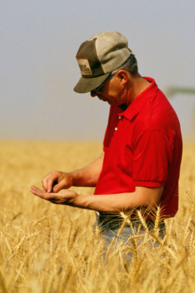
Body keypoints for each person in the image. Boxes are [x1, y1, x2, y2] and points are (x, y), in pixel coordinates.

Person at [30, 31, 183, 255]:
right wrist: (71, 178)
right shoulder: (121, 101)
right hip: (112, 225)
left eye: (98, 86)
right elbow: (111, 161)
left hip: (136, 234)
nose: (94, 94)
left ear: (122, 77)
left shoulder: (152, 123)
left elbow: (147, 201)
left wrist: (79, 200)